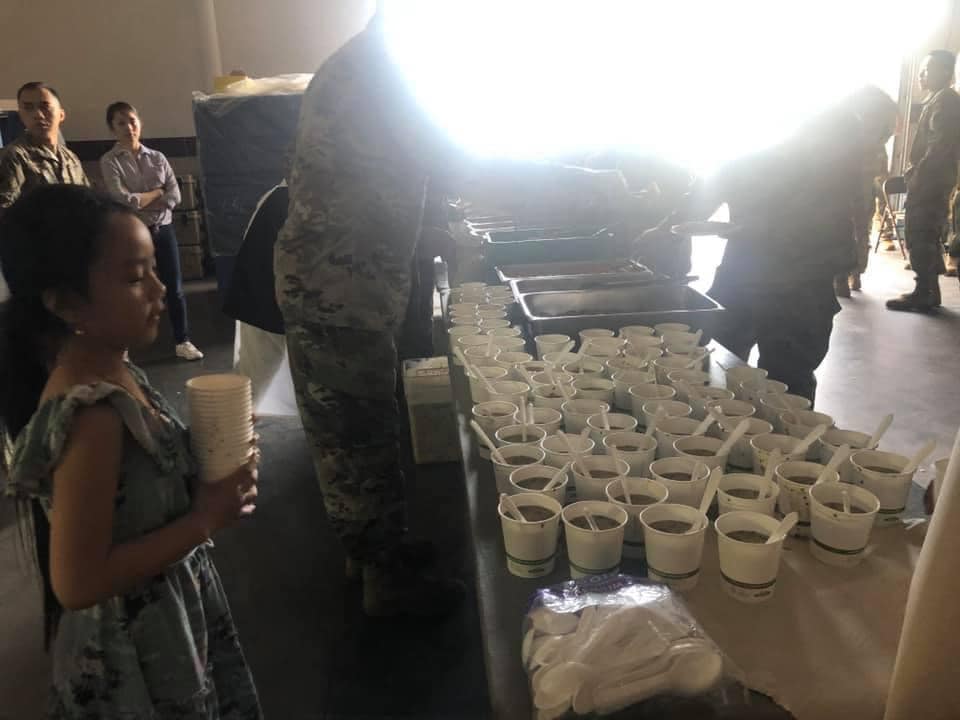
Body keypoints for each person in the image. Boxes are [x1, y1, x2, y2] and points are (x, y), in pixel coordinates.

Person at [277, 10, 634, 617]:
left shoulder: (365, 66)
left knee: (361, 424)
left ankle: (375, 549)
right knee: (355, 432)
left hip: (342, 282)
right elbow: (467, 166)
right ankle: (383, 579)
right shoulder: (379, 74)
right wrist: (599, 189)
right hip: (338, 290)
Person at [0, 185, 262, 718]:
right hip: (134, 651)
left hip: (170, 615)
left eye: (154, 270)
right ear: (66, 303)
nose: (161, 289)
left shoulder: (118, 371)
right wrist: (206, 518)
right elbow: (78, 583)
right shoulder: (92, 415)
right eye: (135, 277)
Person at [638, 92, 894, 402]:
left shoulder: (756, 164)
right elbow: (841, 250)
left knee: (725, 371)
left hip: (759, 285)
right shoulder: (831, 169)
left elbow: (692, 209)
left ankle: (727, 422)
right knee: (783, 385)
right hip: (791, 292)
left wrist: (662, 232)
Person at [100, 101, 204, 360]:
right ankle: (124, 347)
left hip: (163, 229)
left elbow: (175, 196)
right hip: (132, 235)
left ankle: (182, 341)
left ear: (140, 123)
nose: (128, 127)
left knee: (174, 288)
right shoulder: (110, 161)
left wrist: (146, 198)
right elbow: (124, 200)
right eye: (121, 123)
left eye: (132, 121)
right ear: (112, 129)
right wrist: (158, 192)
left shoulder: (157, 157)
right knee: (130, 288)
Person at [887, 50, 960, 312]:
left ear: (945, 72)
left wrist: (919, 175)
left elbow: (939, 146)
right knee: (925, 231)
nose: (921, 75)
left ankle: (925, 292)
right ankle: (928, 288)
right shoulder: (940, 99)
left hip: (931, 179)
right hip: (931, 177)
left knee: (921, 231)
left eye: (927, 69)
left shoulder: (946, 101)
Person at [835, 87, 898, 296]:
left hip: (846, 177)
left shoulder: (851, 114)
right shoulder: (885, 115)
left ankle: (841, 277)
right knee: (862, 228)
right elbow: (882, 161)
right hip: (865, 180)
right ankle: (856, 274)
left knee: (842, 225)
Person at [0, 82, 89, 213]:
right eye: (28, 108)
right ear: (21, 116)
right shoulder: (14, 156)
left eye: (45, 107)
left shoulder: (70, 158)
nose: (38, 115)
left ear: (61, 114)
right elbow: (5, 211)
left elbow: (88, 202)